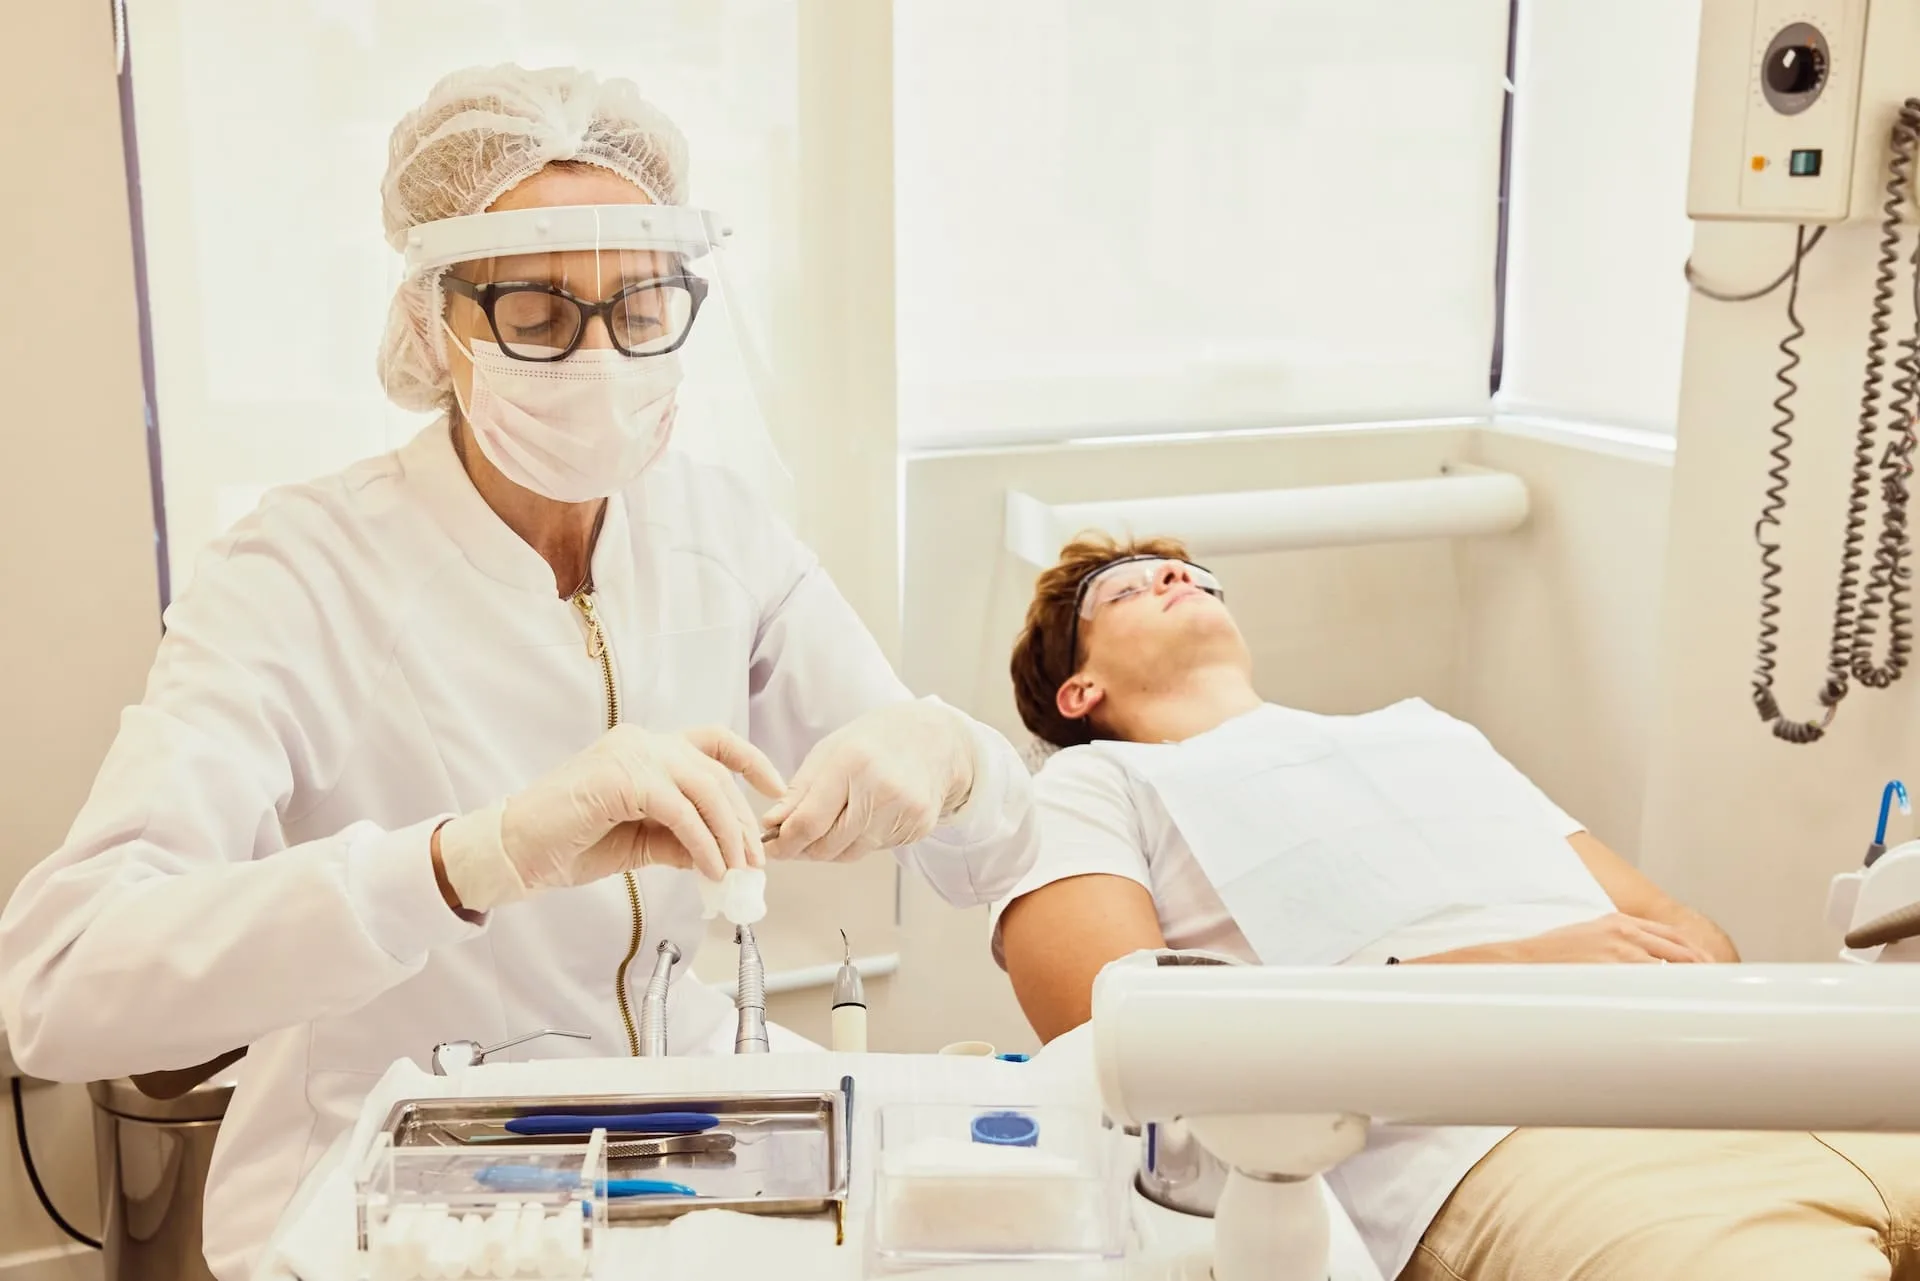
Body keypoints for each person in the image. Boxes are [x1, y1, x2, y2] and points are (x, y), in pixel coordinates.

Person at [0, 65, 1035, 1281]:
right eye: (537, 313)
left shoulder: (717, 532)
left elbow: (991, 860)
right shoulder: (297, 574)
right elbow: (59, 985)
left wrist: (951, 758)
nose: (598, 360)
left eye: (639, 307)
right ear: (433, 322)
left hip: (671, 1156)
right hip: (387, 1196)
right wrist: (469, 861)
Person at [994, 533, 1920, 1281]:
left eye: (1193, 573)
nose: (1175, 575)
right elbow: (1125, 1040)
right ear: (1080, 689)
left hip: (1781, 1091)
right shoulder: (1093, 783)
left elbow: (1685, 932)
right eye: (1123, 588)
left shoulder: (1429, 735)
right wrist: (1514, 972)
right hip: (1525, 1154)